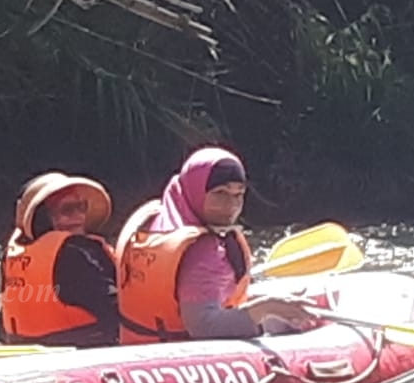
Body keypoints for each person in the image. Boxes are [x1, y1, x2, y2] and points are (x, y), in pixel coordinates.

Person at [116, 145, 317, 342]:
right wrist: (268, 309)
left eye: (238, 194)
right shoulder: (204, 250)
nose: (231, 205)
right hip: (179, 355)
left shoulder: (152, 221)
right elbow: (204, 326)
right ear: (197, 191)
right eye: (220, 193)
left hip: (136, 345)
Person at [0, 172, 119, 347]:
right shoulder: (72, 258)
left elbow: (2, 332)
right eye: (67, 210)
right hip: (78, 356)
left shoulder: (12, 256)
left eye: (81, 207)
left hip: (26, 356)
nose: (80, 217)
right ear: (44, 218)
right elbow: (118, 311)